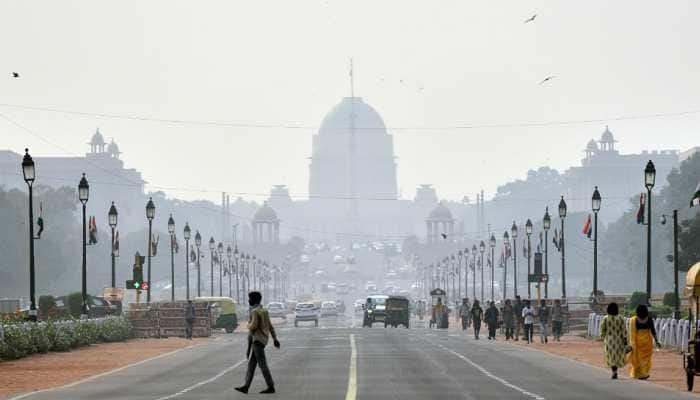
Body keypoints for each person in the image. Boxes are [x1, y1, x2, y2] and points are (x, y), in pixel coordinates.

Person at [235, 291, 280, 394]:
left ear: (254, 300)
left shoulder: (255, 312)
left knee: (262, 365)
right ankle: (246, 386)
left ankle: (271, 386)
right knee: (251, 364)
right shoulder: (264, 311)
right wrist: (275, 339)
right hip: (263, 340)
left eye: (249, 298)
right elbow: (270, 326)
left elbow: (253, 328)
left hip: (257, 341)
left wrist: (247, 324)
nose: (248, 300)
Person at [628, 304, 661, 380]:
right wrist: (657, 341)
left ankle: (641, 374)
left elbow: (632, 333)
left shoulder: (634, 320)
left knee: (638, 359)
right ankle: (644, 373)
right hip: (647, 342)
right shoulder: (649, 319)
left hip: (637, 343)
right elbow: (653, 331)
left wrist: (631, 344)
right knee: (646, 360)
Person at [600, 302, 627, 379]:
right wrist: (625, 339)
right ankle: (615, 371)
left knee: (611, 356)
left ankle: (614, 372)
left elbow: (602, 329)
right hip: (619, 340)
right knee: (617, 355)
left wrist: (602, 337)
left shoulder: (605, 318)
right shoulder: (621, 318)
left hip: (609, 340)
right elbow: (624, 330)